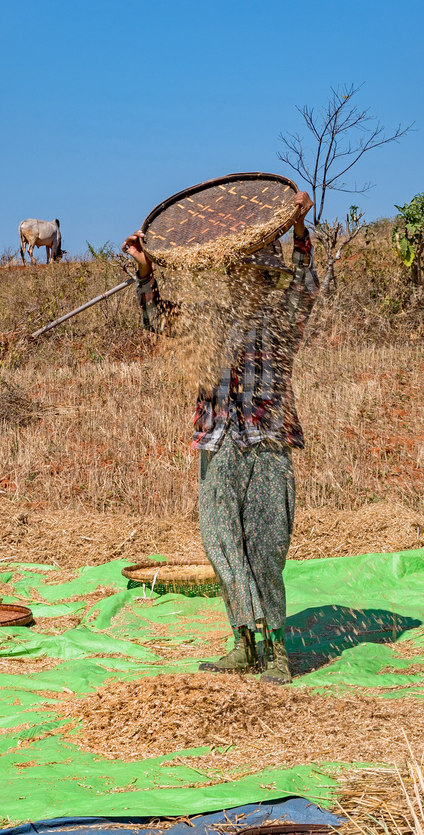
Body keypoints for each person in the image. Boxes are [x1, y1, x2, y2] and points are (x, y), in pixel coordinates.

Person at [123, 190, 317, 684]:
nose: (241, 281)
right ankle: (243, 642)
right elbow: (156, 322)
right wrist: (146, 273)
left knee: (268, 544)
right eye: (234, 272)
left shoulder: (280, 319)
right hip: (217, 441)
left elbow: (307, 287)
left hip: (267, 439)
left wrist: (298, 230)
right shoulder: (201, 321)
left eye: (250, 272)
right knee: (221, 540)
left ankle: (276, 649)